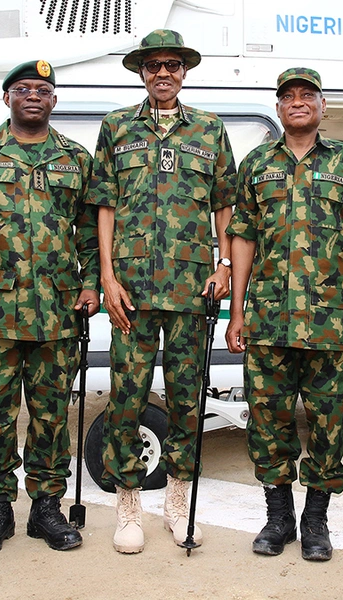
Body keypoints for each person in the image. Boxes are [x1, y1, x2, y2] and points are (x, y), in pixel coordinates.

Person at [0, 60, 99, 555]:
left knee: (51, 414)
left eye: (43, 90)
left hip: (56, 311)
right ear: (7, 97)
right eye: (23, 88)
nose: (34, 95)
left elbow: (91, 232)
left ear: (53, 102)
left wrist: (92, 282)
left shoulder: (75, 158)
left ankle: (47, 509)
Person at [91, 29, 236, 554]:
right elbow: (103, 205)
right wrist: (106, 276)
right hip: (131, 289)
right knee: (126, 399)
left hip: (191, 289)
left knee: (185, 401)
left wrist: (223, 265)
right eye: (153, 65)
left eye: (172, 65)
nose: (163, 74)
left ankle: (178, 501)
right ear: (141, 72)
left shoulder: (210, 129)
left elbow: (225, 203)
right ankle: (127, 503)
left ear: (184, 71)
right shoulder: (116, 127)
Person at [225, 68, 343, 562]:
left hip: (331, 318)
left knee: (330, 422)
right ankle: (279, 517)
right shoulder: (256, 165)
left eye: (306, 95)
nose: (297, 103)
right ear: (279, 108)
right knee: (268, 421)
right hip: (268, 318)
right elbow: (242, 237)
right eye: (287, 97)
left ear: (322, 105)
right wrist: (238, 310)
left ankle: (316, 519)